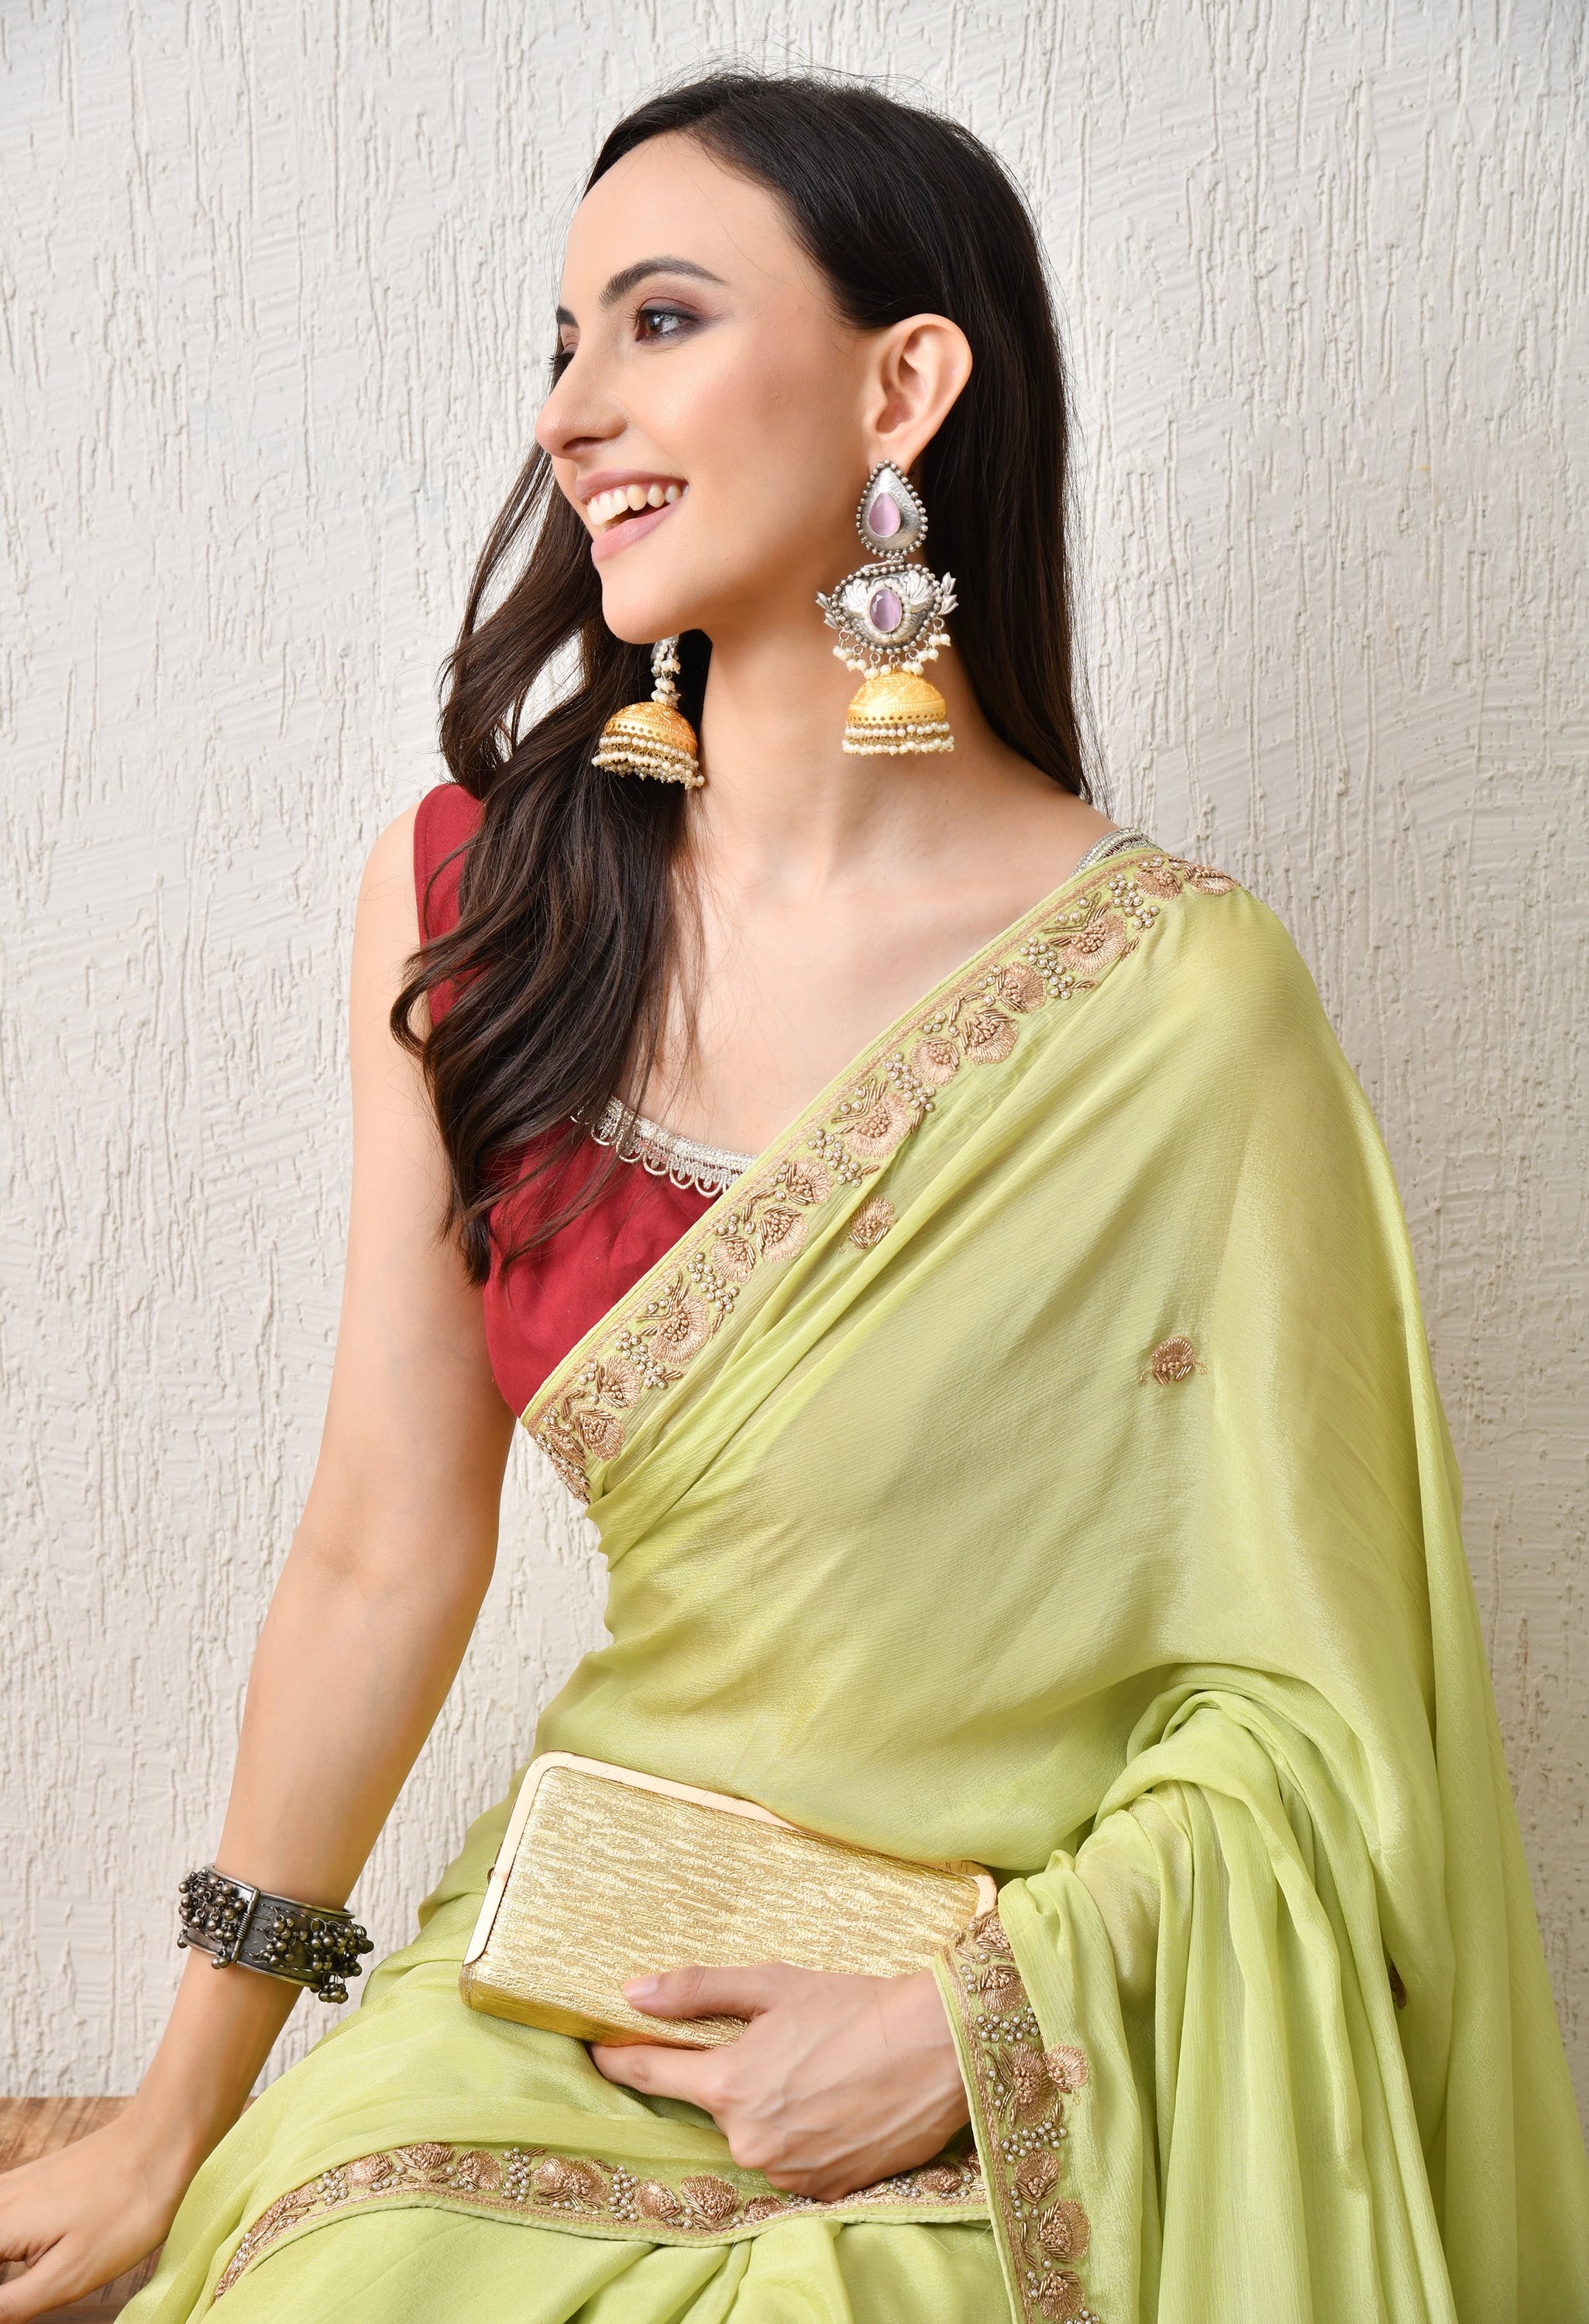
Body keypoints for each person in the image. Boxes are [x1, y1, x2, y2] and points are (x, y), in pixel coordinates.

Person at [2, 67, 1586, 2324]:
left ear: (901, 383)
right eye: (557, 343)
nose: (572, 410)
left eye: (654, 319)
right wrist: (180, 2108)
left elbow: (1316, 1722)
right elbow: (380, 1538)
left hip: (1027, 2041)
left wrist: (974, 2020)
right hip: (581, 1987)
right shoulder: (476, 909)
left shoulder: (1174, 1003)